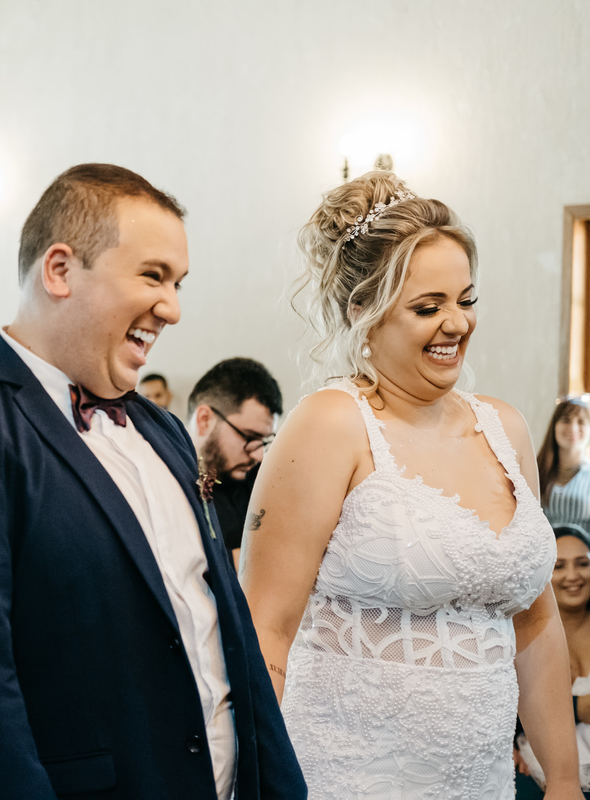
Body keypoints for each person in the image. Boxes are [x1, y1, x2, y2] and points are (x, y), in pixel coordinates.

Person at [0, 163, 304, 799]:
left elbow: (220, 628)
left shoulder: (163, 429)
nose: (173, 309)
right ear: (60, 270)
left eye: (178, 283)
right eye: (153, 276)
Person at [239, 171, 577, 798]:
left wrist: (562, 777)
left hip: (481, 781)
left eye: (466, 300)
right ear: (362, 311)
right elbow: (266, 626)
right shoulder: (330, 425)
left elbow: (535, 618)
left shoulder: (504, 427)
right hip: (347, 776)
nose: (456, 324)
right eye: (428, 307)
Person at [185, 358, 282, 569]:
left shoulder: (260, 476)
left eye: (264, 441)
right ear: (204, 420)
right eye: (249, 437)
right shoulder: (166, 481)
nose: (259, 455)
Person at [515, 524, 590, 797]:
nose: (573, 576)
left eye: (582, 564)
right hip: (540, 760)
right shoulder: (521, 633)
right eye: (559, 566)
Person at [540, 398, 590, 530]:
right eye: (566, 420)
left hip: (583, 548)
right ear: (554, 426)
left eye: (581, 422)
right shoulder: (536, 470)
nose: (573, 428)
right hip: (542, 549)